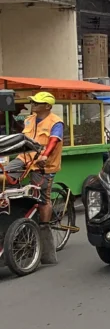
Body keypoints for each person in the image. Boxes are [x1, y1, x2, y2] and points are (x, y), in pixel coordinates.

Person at [10, 92, 65, 265]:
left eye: (37, 103)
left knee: (42, 198)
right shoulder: (29, 119)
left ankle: (43, 227)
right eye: (33, 102)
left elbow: (54, 140)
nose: (33, 105)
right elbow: (20, 138)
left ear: (47, 106)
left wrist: (44, 155)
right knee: (5, 176)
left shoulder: (56, 122)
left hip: (43, 164)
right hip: (24, 160)